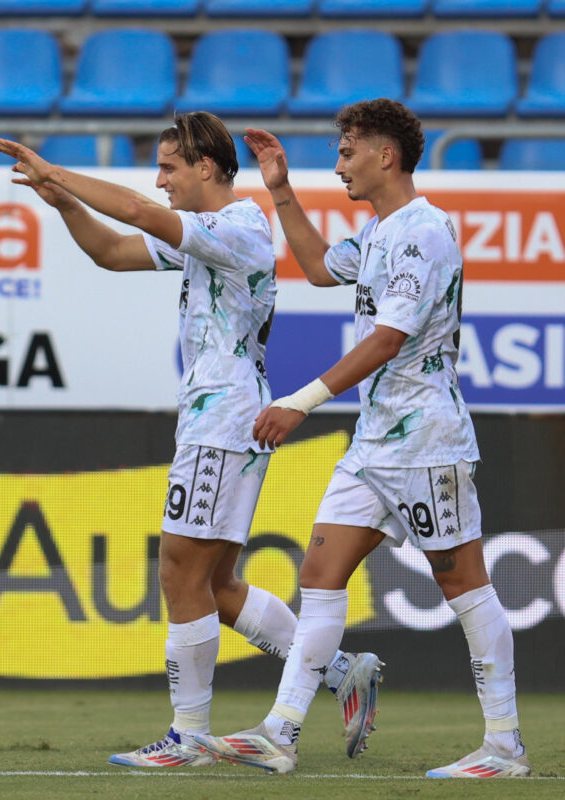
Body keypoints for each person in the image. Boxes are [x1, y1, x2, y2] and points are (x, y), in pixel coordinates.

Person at [0, 112, 384, 768]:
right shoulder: (208, 234)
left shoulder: (238, 226)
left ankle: (190, 736)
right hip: (219, 417)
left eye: (170, 165)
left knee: (179, 568)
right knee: (216, 583)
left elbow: (141, 216)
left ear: (206, 166)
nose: (160, 179)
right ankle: (341, 672)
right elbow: (111, 252)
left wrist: (59, 169)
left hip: (223, 420)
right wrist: (63, 204)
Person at [194, 99, 530, 779]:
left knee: (463, 583)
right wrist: (281, 189)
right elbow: (319, 267)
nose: (338, 162)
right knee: (319, 576)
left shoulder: (424, 232)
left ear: (386, 155)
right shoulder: (378, 232)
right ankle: (280, 733)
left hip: (427, 440)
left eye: (347, 151)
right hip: (373, 443)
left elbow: (388, 338)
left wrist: (301, 401)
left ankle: (504, 745)